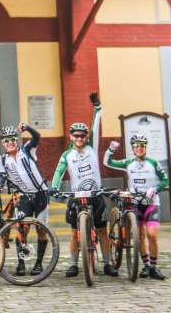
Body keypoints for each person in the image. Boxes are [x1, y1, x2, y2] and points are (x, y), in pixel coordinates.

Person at [50, 92, 117, 278]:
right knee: (74, 233)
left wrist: (97, 107)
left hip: (95, 196)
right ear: (71, 137)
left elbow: (95, 126)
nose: (79, 138)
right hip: (76, 198)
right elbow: (58, 172)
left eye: (82, 135)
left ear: (86, 137)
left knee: (102, 231)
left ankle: (106, 263)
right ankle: (73, 264)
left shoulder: (92, 148)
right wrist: (54, 187)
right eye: (75, 135)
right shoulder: (67, 155)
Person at [104, 134, 169, 280]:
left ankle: (153, 266)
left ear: (145, 147)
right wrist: (110, 149)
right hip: (135, 203)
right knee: (139, 236)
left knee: (152, 235)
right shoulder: (128, 162)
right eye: (137, 146)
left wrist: (155, 189)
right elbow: (107, 162)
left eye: (142, 146)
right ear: (133, 148)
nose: (140, 148)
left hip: (151, 204)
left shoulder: (153, 163)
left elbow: (165, 180)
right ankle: (146, 266)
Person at [0, 123, 51, 276]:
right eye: (6, 140)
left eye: (13, 139)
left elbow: (37, 137)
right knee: (22, 228)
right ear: (3, 143)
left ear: (17, 140)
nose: (10, 143)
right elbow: (1, 175)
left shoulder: (27, 150)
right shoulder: (2, 159)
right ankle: (21, 263)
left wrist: (27, 128)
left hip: (41, 194)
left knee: (41, 229)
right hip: (23, 196)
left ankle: (38, 264)